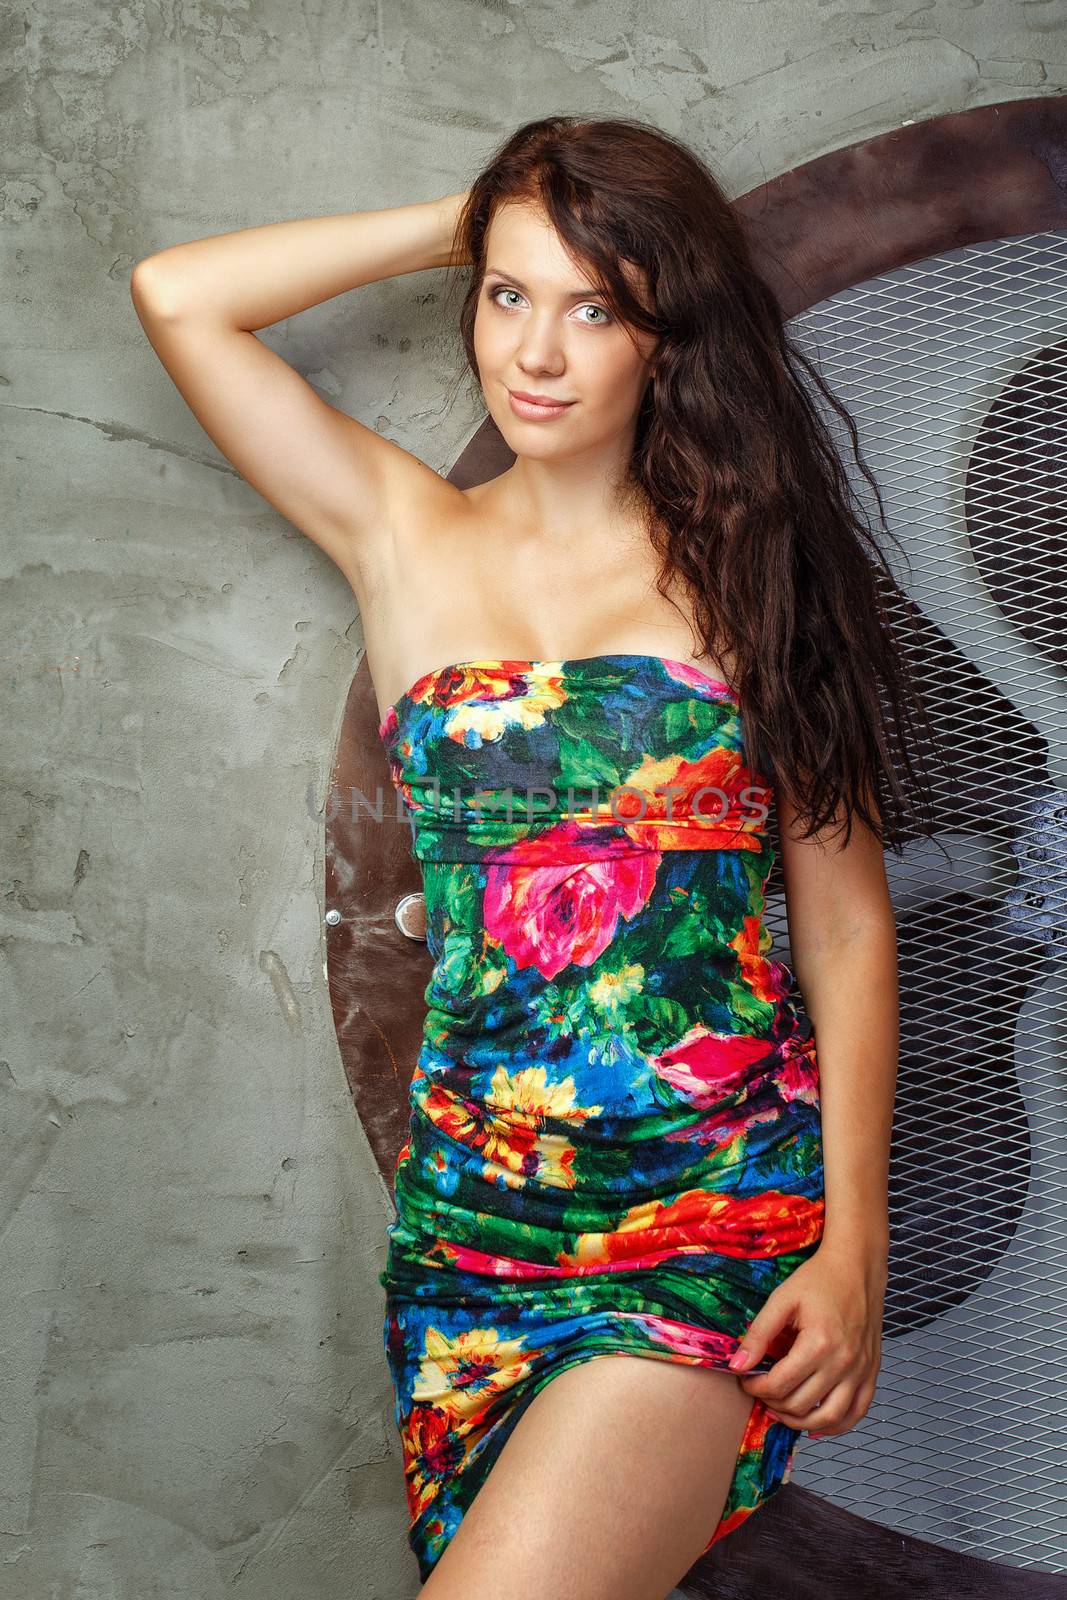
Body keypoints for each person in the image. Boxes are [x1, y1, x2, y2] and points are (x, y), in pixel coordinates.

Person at [131, 114, 938, 1600]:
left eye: (595, 306)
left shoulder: (758, 570)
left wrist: (857, 1252)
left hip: (708, 1220)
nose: (539, 354)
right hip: (470, 1236)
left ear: (663, 334)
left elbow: (846, 931)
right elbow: (179, 293)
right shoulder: (401, 533)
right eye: (509, 296)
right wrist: (496, 211)